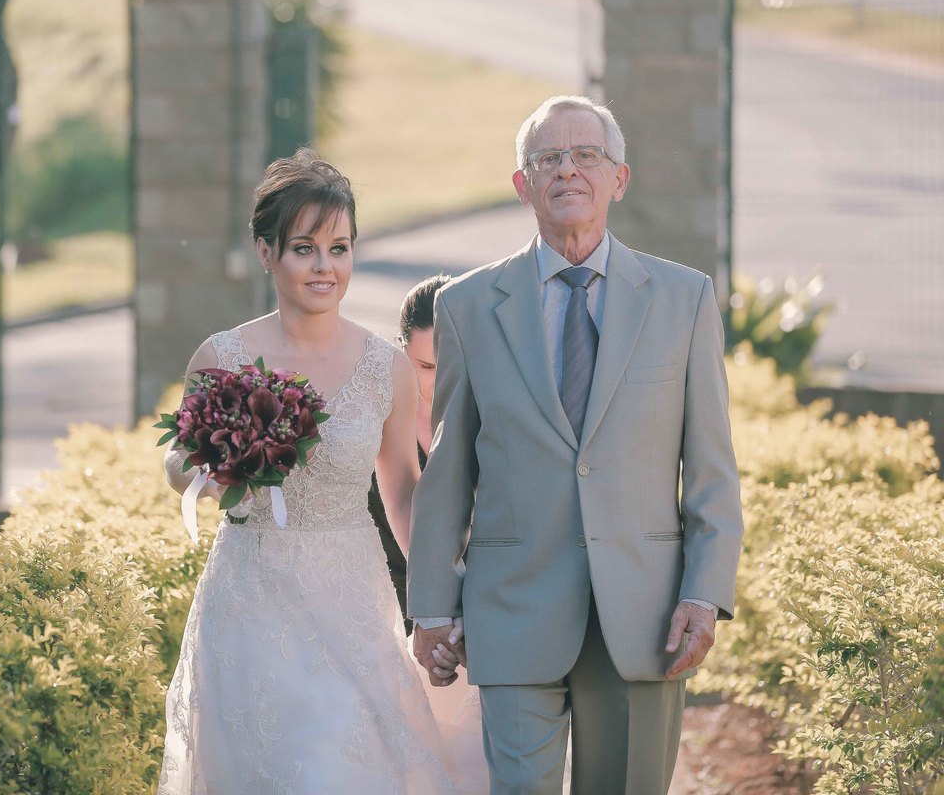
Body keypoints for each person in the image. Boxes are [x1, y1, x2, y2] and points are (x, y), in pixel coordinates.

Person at [407, 95, 745, 795]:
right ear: (521, 184)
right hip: (513, 608)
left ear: (619, 178)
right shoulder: (466, 306)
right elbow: (449, 471)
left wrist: (704, 593)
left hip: (646, 615)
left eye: (586, 155)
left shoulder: (684, 300)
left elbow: (712, 468)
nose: (568, 170)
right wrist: (432, 607)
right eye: (548, 158)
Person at [157, 150, 474, 794]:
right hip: (249, 600)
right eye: (304, 248)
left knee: (340, 766)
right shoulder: (222, 355)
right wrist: (213, 470)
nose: (325, 266)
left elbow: (403, 493)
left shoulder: (386, 368)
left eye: (339, 248)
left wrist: (441, 597)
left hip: (351, 601)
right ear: (266, 251)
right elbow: (178, 458)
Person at [367, 273, 451, 636]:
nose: (441, 378)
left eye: (452, 360)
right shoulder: (376, 424)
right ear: (401, 352)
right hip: (390, 609)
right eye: (426, 367)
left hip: (478, 608)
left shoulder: (497, 417)